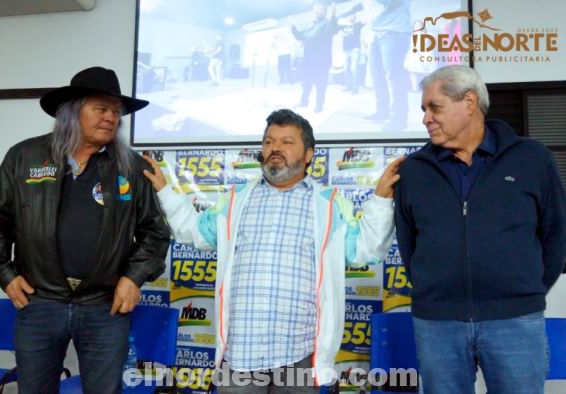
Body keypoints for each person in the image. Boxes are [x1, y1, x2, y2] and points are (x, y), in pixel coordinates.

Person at [143, 109, 403, 392]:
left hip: (301, 355)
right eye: (269, 142)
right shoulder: (235, 201)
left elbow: (364, 250)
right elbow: (192, 231)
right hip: (239, 355)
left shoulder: (330, 204)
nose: (275, 148)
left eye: (287, 142)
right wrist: (164, 190)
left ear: (308, 154)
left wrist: (380, 199)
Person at [0, 66, 171, 393]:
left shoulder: (132, 167)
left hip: (104, 306)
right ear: (72, 111)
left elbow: (155, 231)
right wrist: (4, 274)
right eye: (101, 108)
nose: (111, 117)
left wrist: (134, 276)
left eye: (116, 111)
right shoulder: (24, 157)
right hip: (39, 302)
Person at [394, 65, 566, 394]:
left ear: (469, 103)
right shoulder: (414, 170)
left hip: (515, 321)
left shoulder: (532, 158)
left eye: (435, 107)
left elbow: (555, 236)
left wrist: (522, 291)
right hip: (438, 325)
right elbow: (409, 242)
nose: (426, 118)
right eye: (423, 109)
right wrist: (438, 290)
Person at [365, 0, 411, 131]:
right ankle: (382, 111)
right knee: (377, 76)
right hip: (375, 35)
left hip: (394, 32)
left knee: (395, 77)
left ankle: (399, 118)